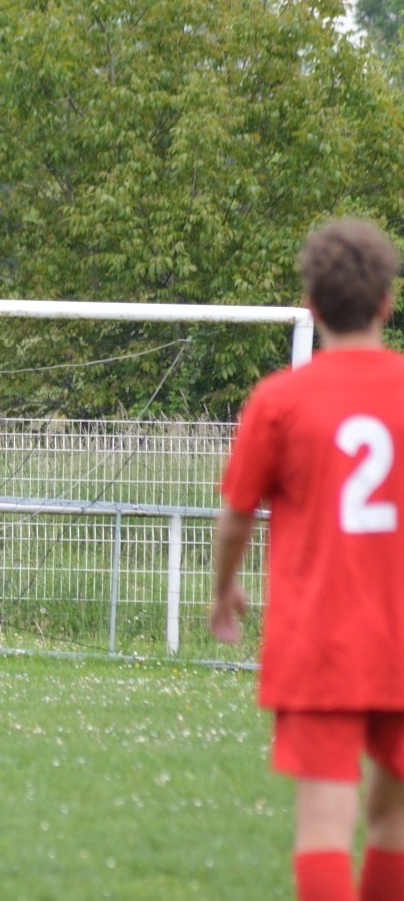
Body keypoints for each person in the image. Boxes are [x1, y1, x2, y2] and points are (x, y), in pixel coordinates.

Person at [211, 219, 404, 901]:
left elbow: (236, 515)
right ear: (387, 303)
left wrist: (224, 589)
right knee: (394, 822)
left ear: (312, 304)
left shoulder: (282, 399)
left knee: (325, 826)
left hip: (320, 641)